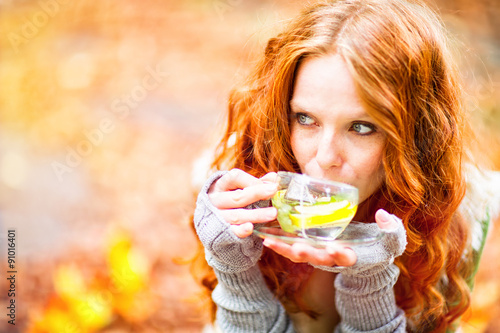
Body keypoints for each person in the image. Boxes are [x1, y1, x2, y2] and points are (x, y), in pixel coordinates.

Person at [190, 0, 499, 332]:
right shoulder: (243, 184)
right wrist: (235, 272)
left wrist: (370, 285)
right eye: (306, 119)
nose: (324, 156)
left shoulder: (458, 217)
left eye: (361, 127)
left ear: (414, 137)